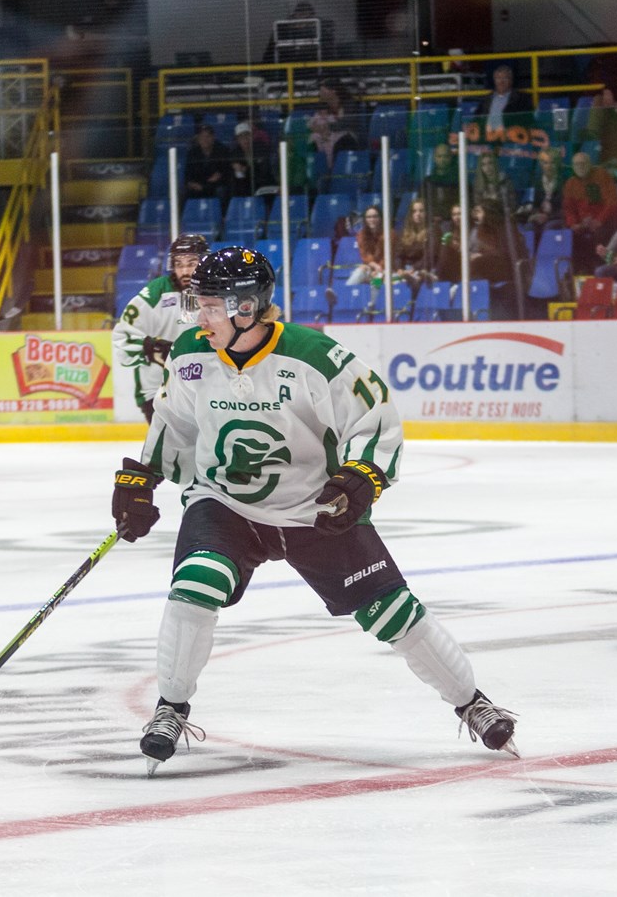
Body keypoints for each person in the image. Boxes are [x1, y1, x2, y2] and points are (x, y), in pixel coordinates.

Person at [109, 245, 520, 775]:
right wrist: (143, 478)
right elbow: (176, 425)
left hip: (313, 509)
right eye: (198, 306)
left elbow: (374, 418)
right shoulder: (191, 354)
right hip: (226, 503)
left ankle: (472, 702)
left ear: (246, 308)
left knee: (391, 611)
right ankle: (170, 707)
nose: (198, 319)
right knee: (196, 583)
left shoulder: (313, 356)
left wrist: (362, 476)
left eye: (209, 307)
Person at [112, 234, 207, 422]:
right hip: (158, 392)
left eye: (191, 263)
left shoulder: (216, 291)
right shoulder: (156, 292)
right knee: (169, 442)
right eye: (179, 264)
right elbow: (122, 335)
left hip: (204, 390)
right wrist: (151, 347)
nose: (185, 271)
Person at [563, 151, 617, 272]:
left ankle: (604, 268)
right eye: (576, 164)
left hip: (604, 220)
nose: (580, 166)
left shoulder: (602, 175)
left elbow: (612, 203)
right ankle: (579, 270)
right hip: (582, 223)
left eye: (583, 163)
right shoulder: (570, 183)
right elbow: (569, 209)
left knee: (601, 233)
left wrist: (598, 221)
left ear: (590, 164)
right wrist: (574, 224)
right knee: (569, 234)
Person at [476, 65, 533, 137]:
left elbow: (527, 120)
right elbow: (476, 118)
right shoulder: (486, 99)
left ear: (511, 80)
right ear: (494, 80)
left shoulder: (521, 98)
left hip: (510, 137)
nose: (501, 81)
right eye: (498, 78)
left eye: (505, 78)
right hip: (487, 136)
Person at [183, 124, 231, 206]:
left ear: (213, 137)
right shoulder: (192, 153)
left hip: (214, 187)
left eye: (208, 136)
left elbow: (223, 175)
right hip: (198, 186)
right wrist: (192, 184)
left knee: (221, 191)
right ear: (198, 138)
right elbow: (188, 175)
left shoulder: (222, 151)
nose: (205, 139)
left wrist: (205, 185)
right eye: (202, 137)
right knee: (184, 192)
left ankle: (221, 214)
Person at [228, 121, 278, 199]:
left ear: (251, 136)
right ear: (237, 140)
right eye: (241, 137)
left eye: (247, 135)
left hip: (263, 184)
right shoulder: (235, 153)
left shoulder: (261, 148)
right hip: (246, 186)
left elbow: (264, 171)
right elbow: (236, 176)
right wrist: (237, 169)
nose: (245, 139)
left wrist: (246, 170)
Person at [393, 198, 437, 286]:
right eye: (414, 211)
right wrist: (399, 269)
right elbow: (398, 255)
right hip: (405, 270)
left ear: (426, 213)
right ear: (411, 214)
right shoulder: (404, 232)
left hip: (423, 270)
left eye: (421, 211)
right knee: (381, 282)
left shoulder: (432, 231)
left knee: (416, 280)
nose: (418, 214)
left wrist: (414, 268)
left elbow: (429, 256)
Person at [521, 147, 566, 230]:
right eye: (546, 163)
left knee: (549, 227)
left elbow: (566, 209)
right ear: (541, 165)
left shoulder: (564, 183)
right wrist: (536, 215)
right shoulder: (535, 182)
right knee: (528, 227)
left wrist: (548, 217)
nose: (549, 166)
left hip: (556, 219)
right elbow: (533, 205)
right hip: (539, 217)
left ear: (557, 164)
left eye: (553, 163)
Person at [345, 204, 386, 285]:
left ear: (380, 218)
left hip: (386, 270)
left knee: (377, 282)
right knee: (360, 271)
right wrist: (374, 266)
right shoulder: (361, 235)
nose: (372, 219)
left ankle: (375, 290)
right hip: (372, 267)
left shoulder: (390, 234)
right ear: (365, 219)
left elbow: (389, 257)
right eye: (369, 217)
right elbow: (365, 255)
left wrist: (379, 268)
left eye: (375, 216)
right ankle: (345, 291)